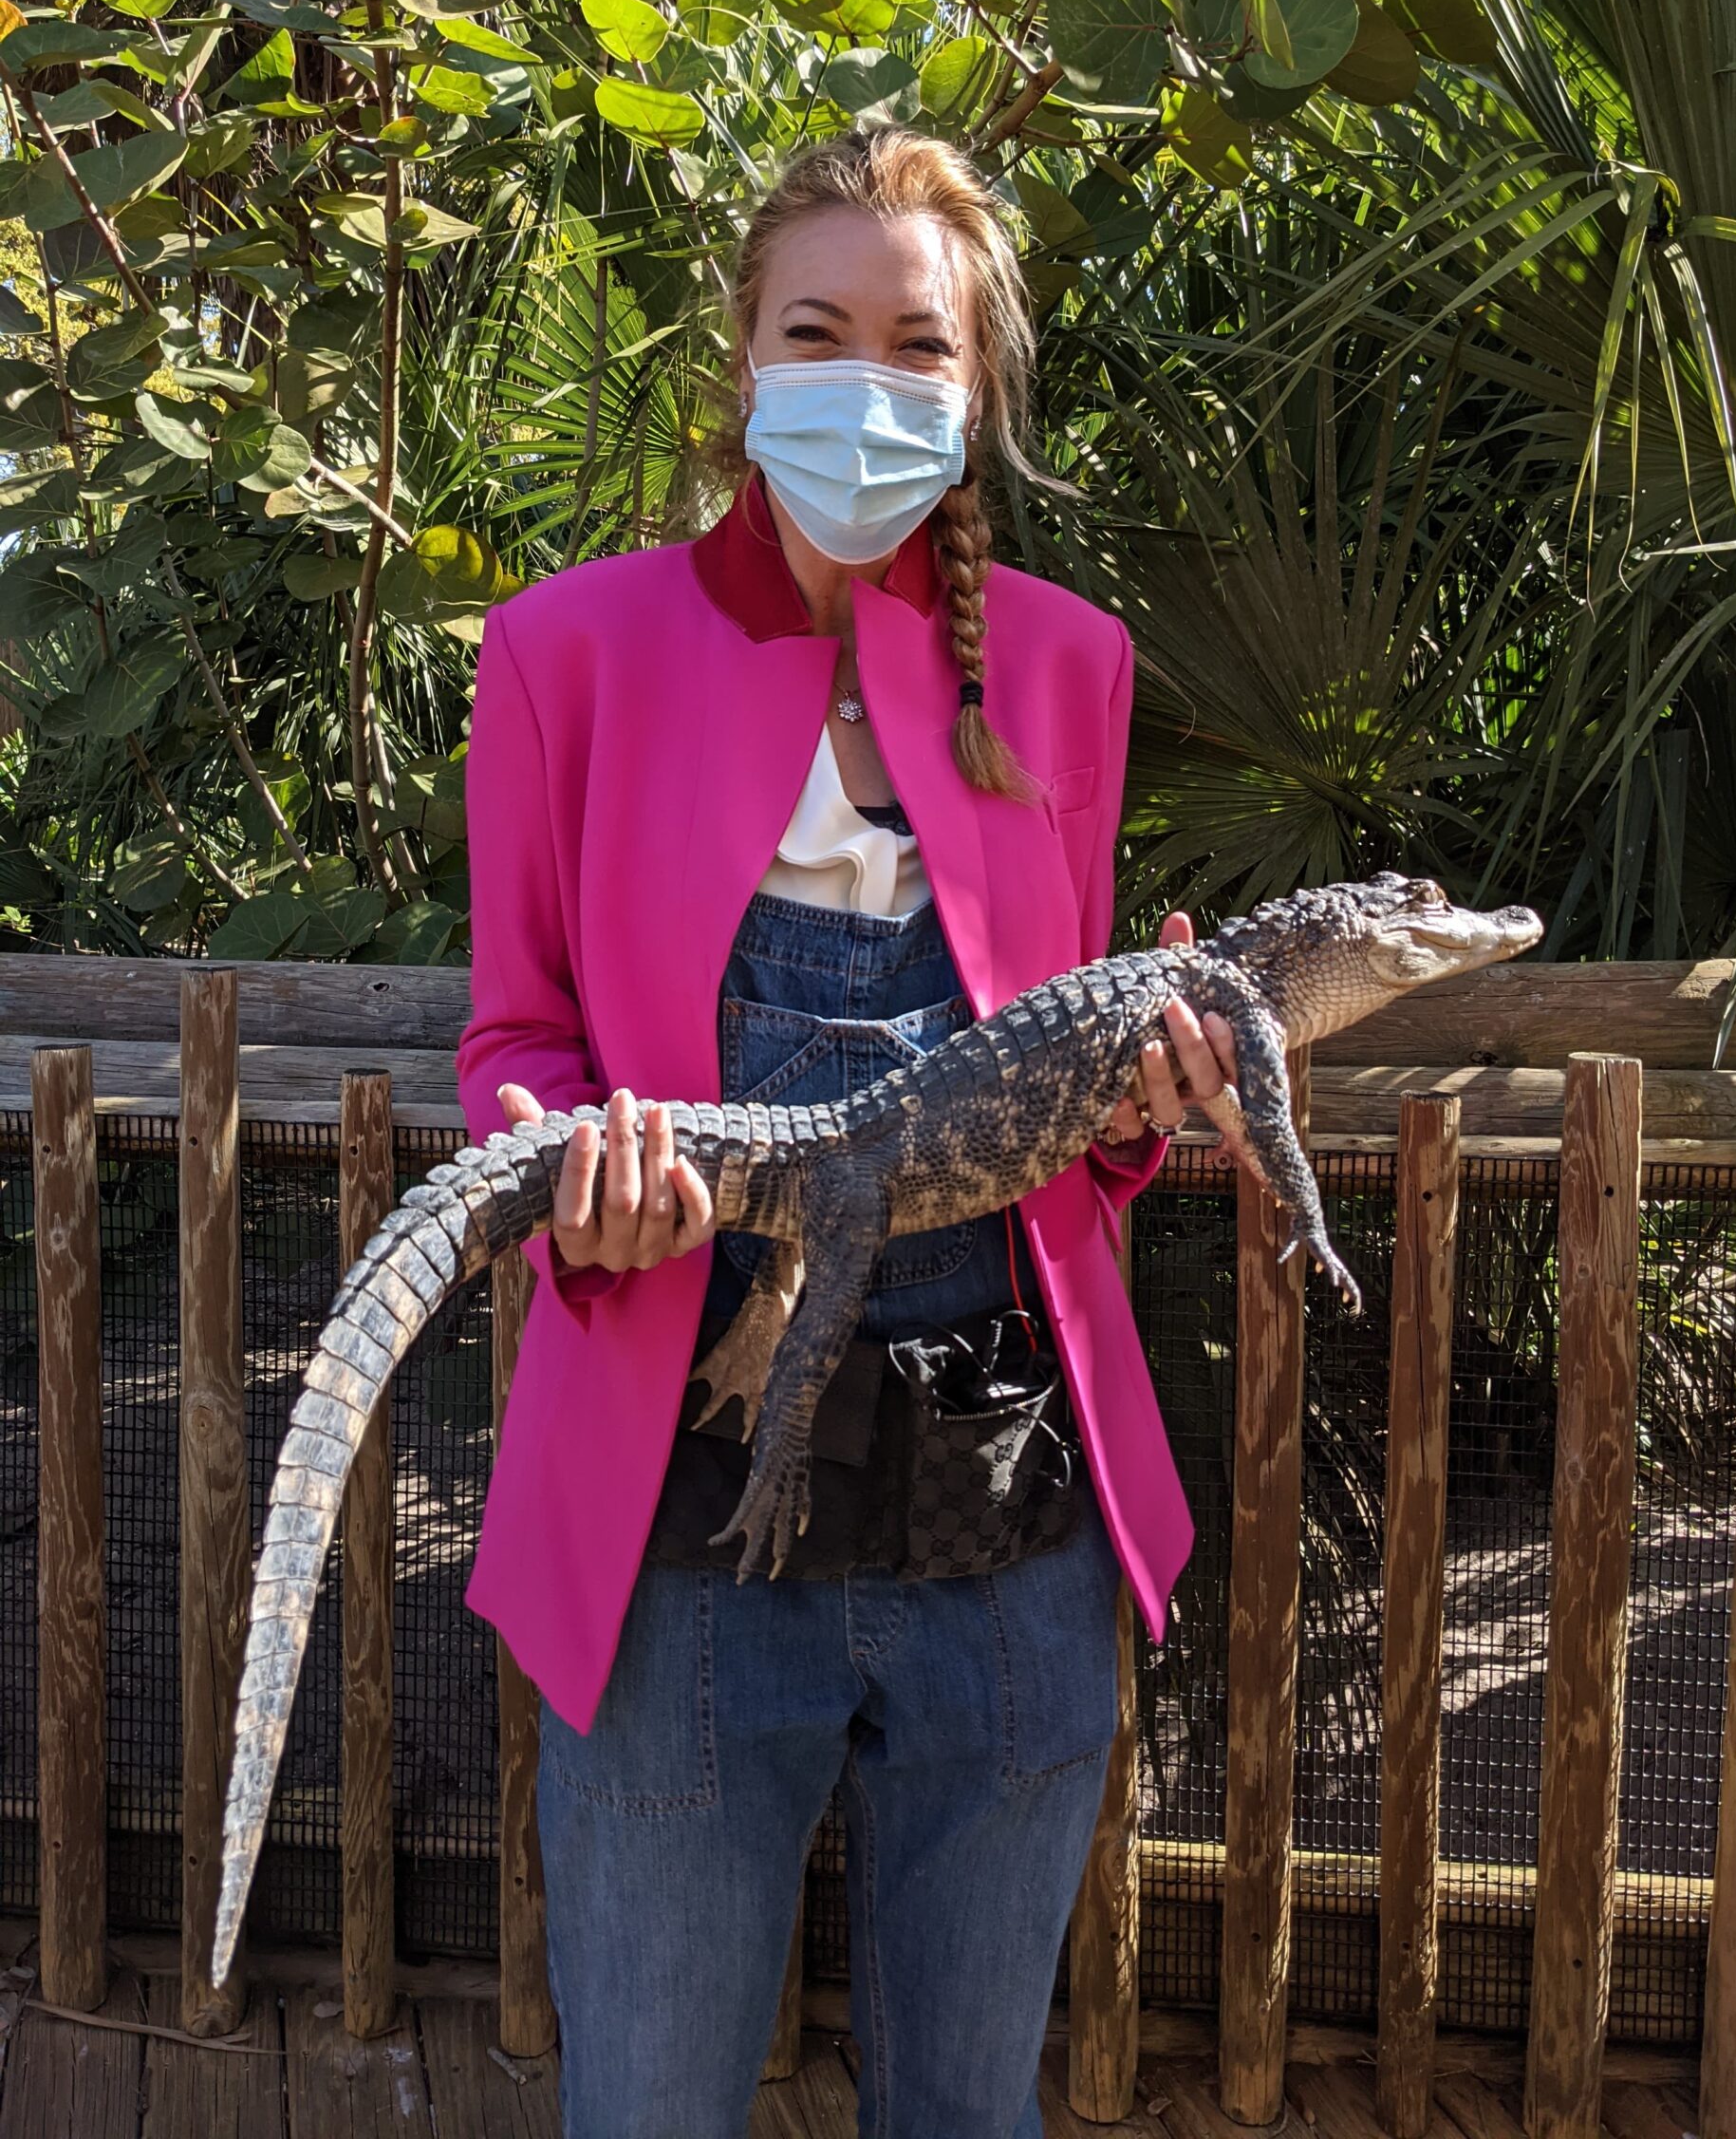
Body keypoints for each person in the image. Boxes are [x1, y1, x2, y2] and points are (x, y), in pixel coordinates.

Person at [454, 124, 1241, 2139]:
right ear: (743, 360)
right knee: (648, 2107)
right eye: (819, 329)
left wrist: (1155, 1107)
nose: (869, 384)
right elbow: (517, 1040)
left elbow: (1075, 1110)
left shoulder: (1069, 667)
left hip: (1012, 1539)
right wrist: (576, 1190)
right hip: (677, 1542)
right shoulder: (566, 653)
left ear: (975, 394)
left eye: (919, 344)